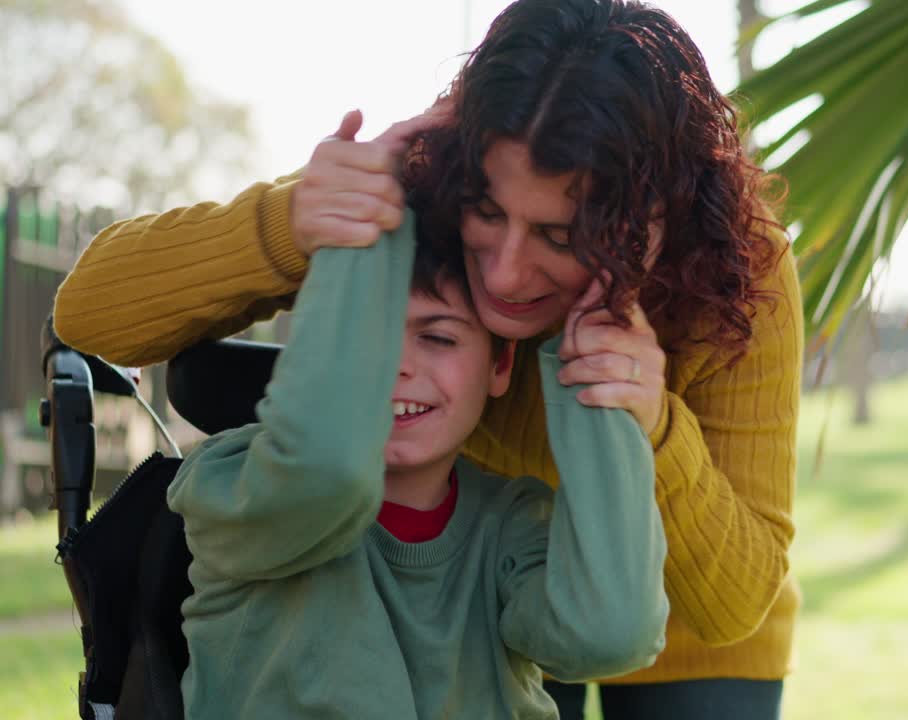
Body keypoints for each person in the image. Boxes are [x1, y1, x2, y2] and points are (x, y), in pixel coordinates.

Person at [53, 1, 803, 717]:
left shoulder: (734, 273)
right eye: (489, 211)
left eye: (560, 236)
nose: (505, 274)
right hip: (462, 601)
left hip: (663, 608)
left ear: (651, 221)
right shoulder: (413, 198)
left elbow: (729, 604)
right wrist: (293, 220)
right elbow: (90, 314)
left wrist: (645, 418)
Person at [169, 207, 669, 719]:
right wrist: (368, 209)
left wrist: (592, 364)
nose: (396, 364)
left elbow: (609, 634)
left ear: (499, 364)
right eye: (365, 334)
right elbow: (330, 475)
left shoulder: (512, 523)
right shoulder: (230, 482)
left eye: (438, 337)